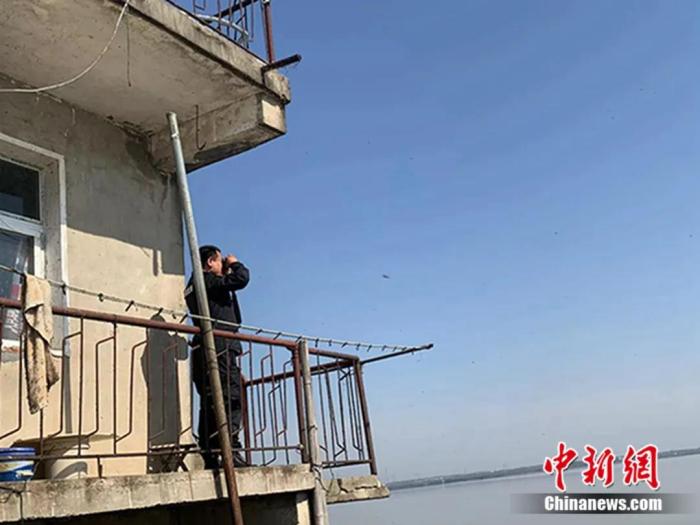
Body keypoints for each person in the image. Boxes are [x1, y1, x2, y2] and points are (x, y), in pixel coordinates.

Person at [184, 245, 250, 468]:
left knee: (211, 400)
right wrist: (234, 263)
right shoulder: (206, 280)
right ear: (210, 262)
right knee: (229, 396)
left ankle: (211, 453)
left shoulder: (195, 285)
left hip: (206, 347)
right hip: (219, 346)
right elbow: (242, 279)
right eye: (220, 261)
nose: (223, 265)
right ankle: (229, 451)